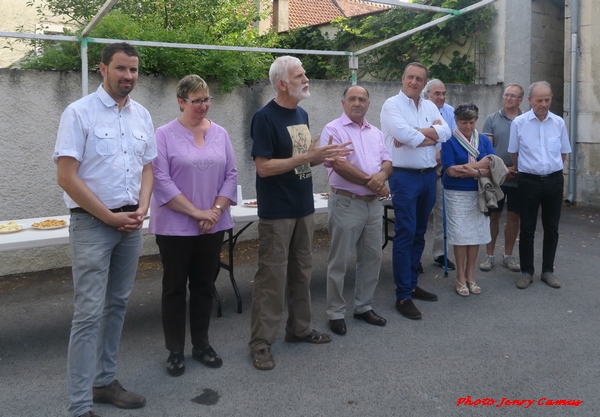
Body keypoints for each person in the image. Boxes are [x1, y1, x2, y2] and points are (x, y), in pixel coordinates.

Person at [54, 43, 156, 417]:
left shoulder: (142, 115)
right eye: (121, 69)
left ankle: (105, 382)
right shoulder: (78, 113)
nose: (128, 76)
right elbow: (66, 177)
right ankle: (79, 406)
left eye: (133, 70)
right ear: (102, 69)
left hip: (130, 222)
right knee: (88, 314)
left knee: (117, 306)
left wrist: (143, 207)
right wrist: (109, 217)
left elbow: (148, 167)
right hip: (93, 224)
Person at [248, 56, 352, 370]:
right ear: (282, 83)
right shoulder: (264, 118)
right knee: (272, 277)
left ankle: (299, 328)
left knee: (302, 272)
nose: (306, 79)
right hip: (277, 211)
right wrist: (308, 155)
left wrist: (323, 154)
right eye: (299, 75)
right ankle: (261, 343)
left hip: (303, 207)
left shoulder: (302, 113)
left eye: (304, 73)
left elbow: (302, 160)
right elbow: (264, 168)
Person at [149, 75, 237, 377]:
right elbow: (160, 181)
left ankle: (201, 344)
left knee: (204, 286)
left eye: (206, 99)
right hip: (175, 227)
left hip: (212, 225)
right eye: (196, 100)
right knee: (174, 289)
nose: (203, 105)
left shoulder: (221, 133)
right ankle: (175, 350)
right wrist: (197, 213)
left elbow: (232, 175)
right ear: (181, 101)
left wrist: (213, 211)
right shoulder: (163, 134)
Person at [380, 62, 451, 320]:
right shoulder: (391, 105)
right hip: (404, 178)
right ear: (403, 78)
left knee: (420, 232)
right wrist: (429, 135)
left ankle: (411, 282)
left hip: (428, 177)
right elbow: (403, 135)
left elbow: (446, 133)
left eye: (419, 79)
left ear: (424, 83)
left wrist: (418, 134)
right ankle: (402, 295)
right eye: (410, 77)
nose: (414, 82)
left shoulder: (431, 105)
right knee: (405, 233)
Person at [320, 85, 392, 335]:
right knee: (338, 261)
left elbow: (387, 161)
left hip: (373, 206)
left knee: (372, 258)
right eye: (352, 98)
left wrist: (381, 176)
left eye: (362, 99)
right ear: (343, 103)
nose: (357, 103)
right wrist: (371, 182)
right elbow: (338, 165)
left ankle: (363, 306)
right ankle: (335, 312)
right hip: (347, 203)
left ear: (368, 104)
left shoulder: (375, 133)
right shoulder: (332, 130)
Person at [508, 81, 571, 289]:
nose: (543, 104)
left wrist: (550, 171)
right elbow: (514, 153)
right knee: (527, 227)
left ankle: (548, 271)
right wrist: (529, 170)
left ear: (551, 98)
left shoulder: (559, 123)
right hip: (528, 181)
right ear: (529, 101)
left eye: (547, 99)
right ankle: (527, 271)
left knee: (551, 227)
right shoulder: (519, 123)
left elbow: (563, 152)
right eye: (539, 100)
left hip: (554, 181)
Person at [441, 104, 495, 296]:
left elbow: (493, 166)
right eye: (464, 123)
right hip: (456, 193)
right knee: (461, 235)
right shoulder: (449, 140)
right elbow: (449, 170)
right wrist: (479, 167)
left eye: (471, 122)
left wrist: (471, 170)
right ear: (456, 121)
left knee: (476, 235)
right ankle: (460, 276)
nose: (468, 127)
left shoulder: (482, 140)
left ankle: (471, 275)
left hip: (479, 192)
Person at [479, 84, 524, 273]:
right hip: (497, 177)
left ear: (521, 99)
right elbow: (488, 150)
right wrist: (504, 169)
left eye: (513, 96)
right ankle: (489, 256)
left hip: (519, 176)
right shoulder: (492, 119)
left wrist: (518, 168)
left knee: (514, 216)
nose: (508, 98)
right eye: (506, 95)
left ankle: (508, 255)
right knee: (494, 216)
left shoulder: (526, 120)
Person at [423, 79, 457, 271]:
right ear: (427, 95)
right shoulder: (420, 110)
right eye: (437, 94)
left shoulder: (449, 111)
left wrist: (441, 155)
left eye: (443, 93)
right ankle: (415, 259)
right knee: (420, 216)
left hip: (441, 168)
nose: (441, 97)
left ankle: (440, 254)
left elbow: (452, 136)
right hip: (423, 168)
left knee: (442, 215)